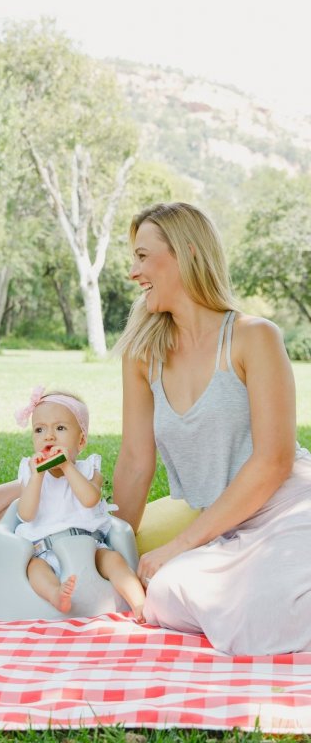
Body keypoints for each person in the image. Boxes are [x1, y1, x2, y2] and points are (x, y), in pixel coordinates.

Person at [112, 201, 311, 655]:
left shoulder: (254, 337)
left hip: (292, 511)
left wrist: (181, 544)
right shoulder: (142, 355)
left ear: (187, 252)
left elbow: (274, 461)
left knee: (256, 614)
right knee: (164, 593)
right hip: (228, 535)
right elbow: (136, 462)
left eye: (142, 257)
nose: (133, 271)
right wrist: (110, 549)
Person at [13, 387, 145, 618]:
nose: (49, 436)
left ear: (81, 441)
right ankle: (55, 594)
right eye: (39, 429)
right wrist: (37, 477)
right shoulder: (30, 471)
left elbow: (90, 499)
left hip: (91, 547)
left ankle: (140, 604)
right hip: (45, 551)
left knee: (114, 560)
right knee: (34, 569)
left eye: (60, 428)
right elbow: (26, 514)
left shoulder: (88, 468)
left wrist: (67, 467)